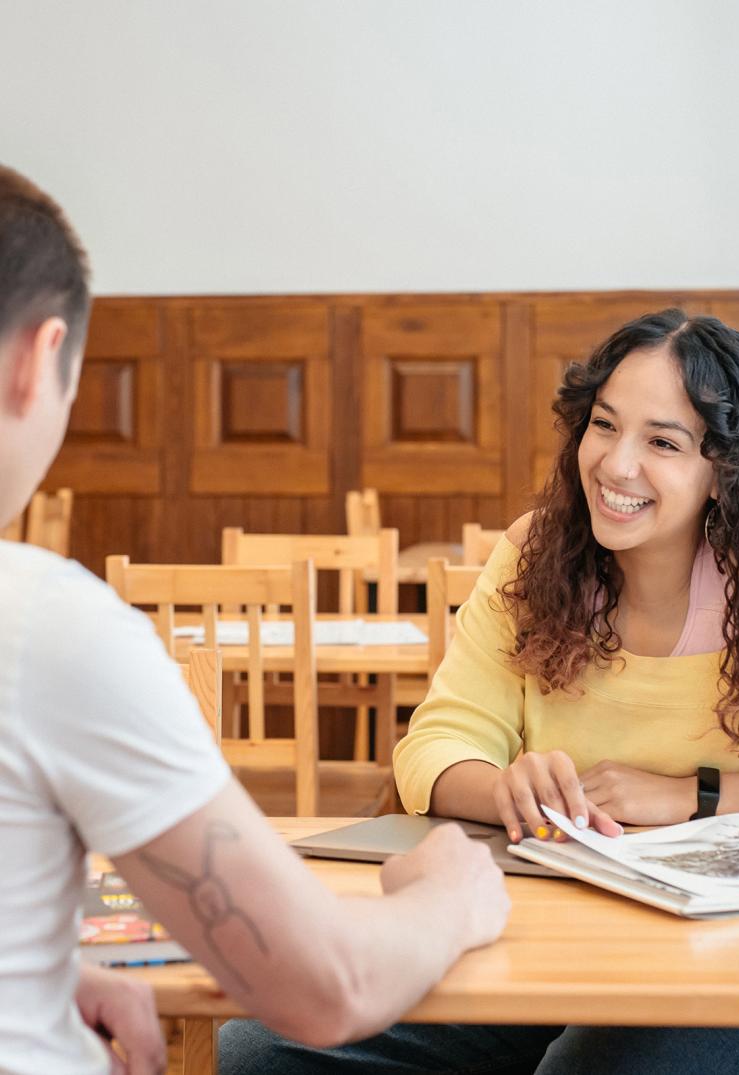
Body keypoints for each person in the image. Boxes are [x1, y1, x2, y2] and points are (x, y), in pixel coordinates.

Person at [0, 164, 512, 1075]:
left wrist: (42, 971)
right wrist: (452, 893)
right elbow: (329, 986)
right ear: (36, 360)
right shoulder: (46, 623)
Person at [230, 308, 739, 1073]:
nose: (616, 465)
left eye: (663, 442)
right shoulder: (534, 556)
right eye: (603, 425)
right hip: (546, 934)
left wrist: (691, 793)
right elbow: (433, 748)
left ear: (722, 470)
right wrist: (506, 786)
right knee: (260, 1046)